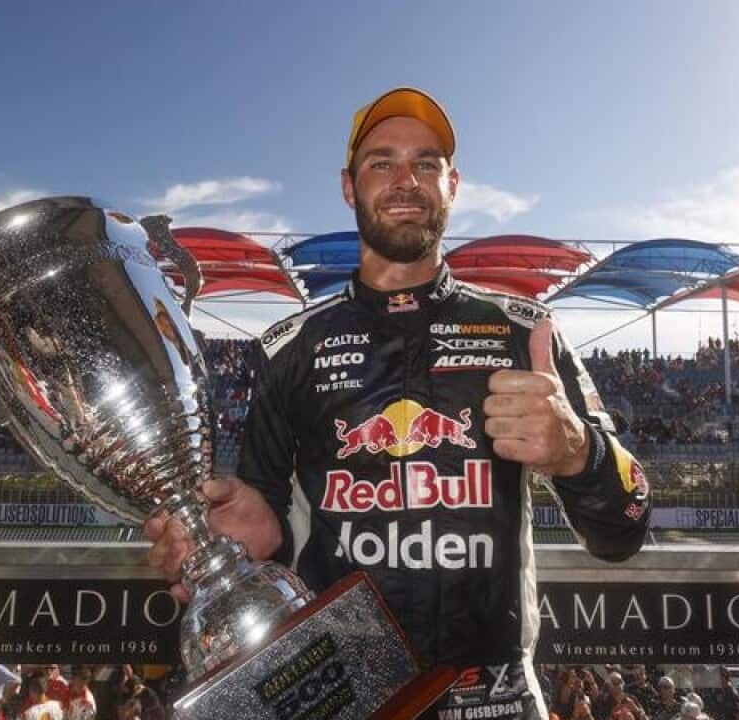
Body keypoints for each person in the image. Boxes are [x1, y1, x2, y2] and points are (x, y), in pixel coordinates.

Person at [146, 86, 650, 720]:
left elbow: (625, 528)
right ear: (348, 187)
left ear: (453, 183)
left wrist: (577, 451)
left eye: (426, 163)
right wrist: (249, 541)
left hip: (496, 697)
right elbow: (262, 527)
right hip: (345, 693)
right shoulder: (290, 351)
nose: (405, 180)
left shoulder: (526, 333)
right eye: (381, 162)